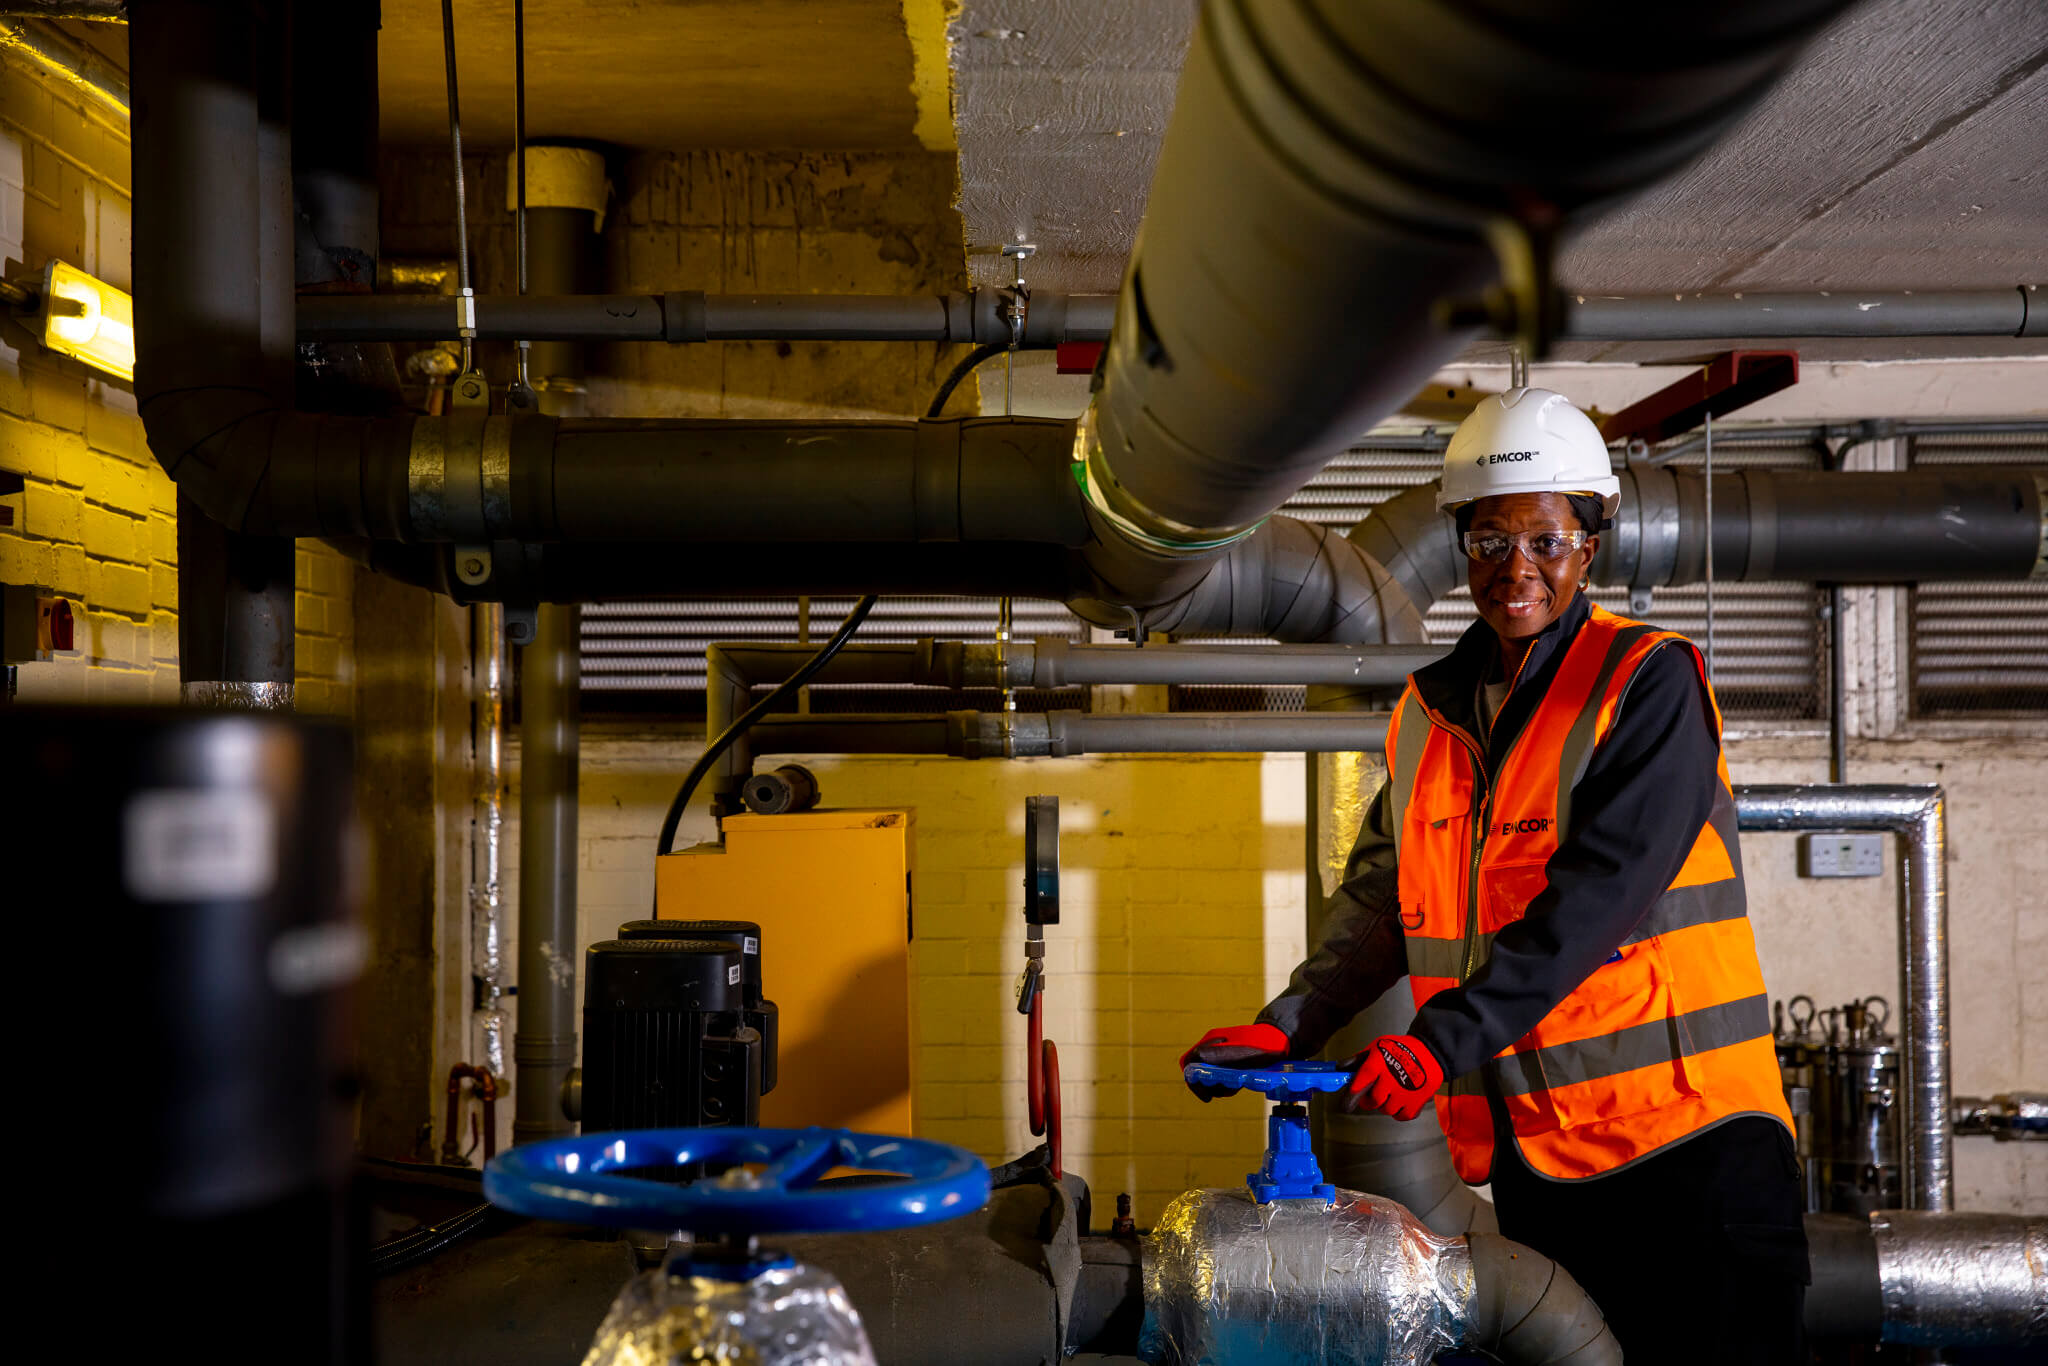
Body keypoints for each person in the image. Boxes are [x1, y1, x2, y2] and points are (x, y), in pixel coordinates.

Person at [1182, 388, 1807, 1364]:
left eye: (1543, 541)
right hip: (1537, 1157)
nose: (1514, 569)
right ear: (1458, 542)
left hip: (1686, 1150)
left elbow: (1596, 897)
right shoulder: (1426, 712)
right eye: (1487, 541)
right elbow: (1385, 896)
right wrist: (1291, 1018)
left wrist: (1439, 1041)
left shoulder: (1644, 683)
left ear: (1588, 543)